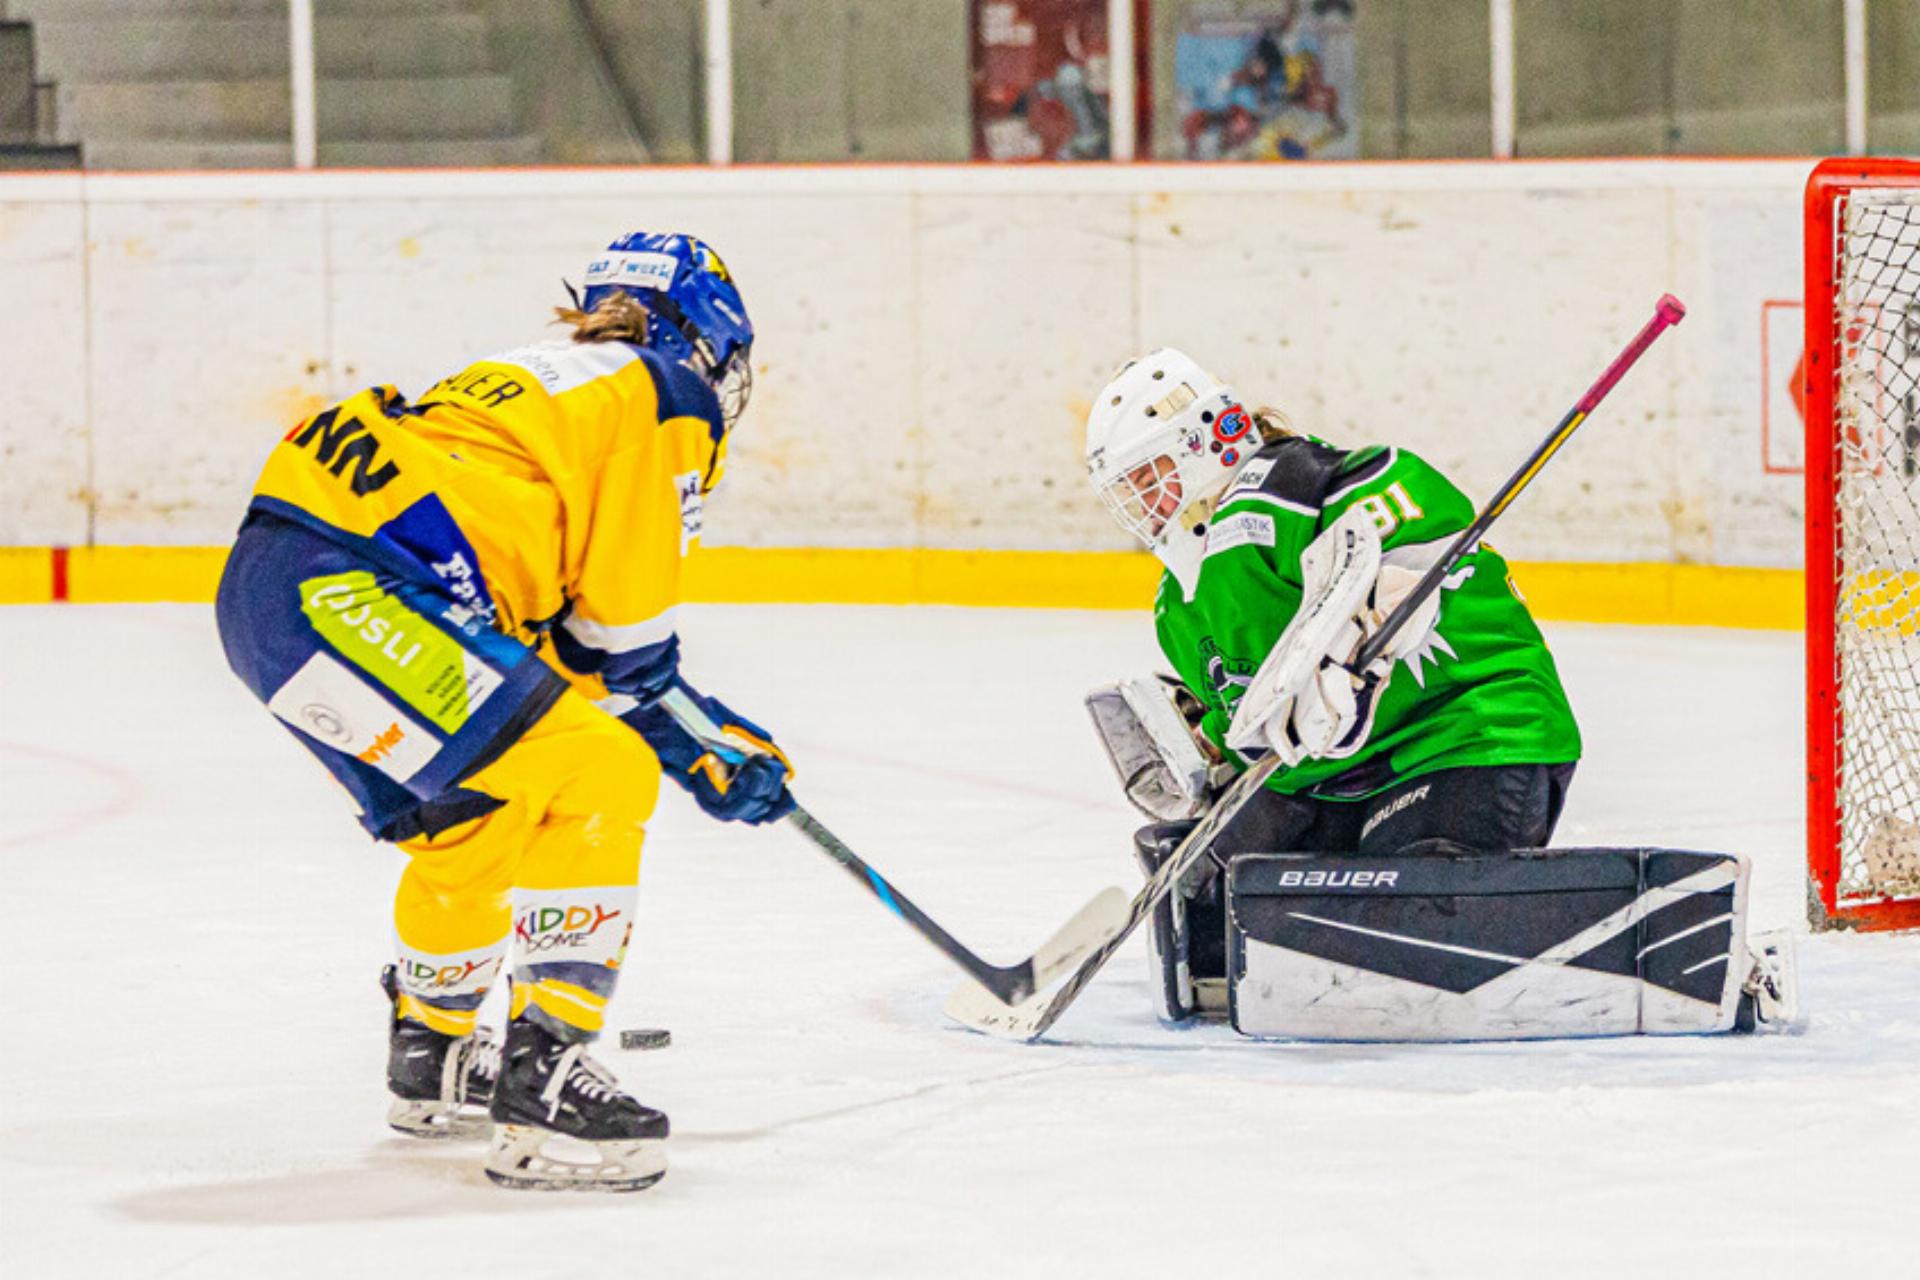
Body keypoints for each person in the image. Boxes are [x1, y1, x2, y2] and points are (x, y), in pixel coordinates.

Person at [215, 232, 794, 1191]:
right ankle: (547, 1087)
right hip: (353, 593)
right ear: (712, 341)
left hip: (274, 593)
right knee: (602, 771)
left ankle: (433, 1053)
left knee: (477, 816)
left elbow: (564, 647)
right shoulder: (663, 392)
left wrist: (693, 728)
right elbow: (625, 652)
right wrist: (706, 744)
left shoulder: (535, 381)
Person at [1081, 347, 1581, 1020]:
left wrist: (1369, 620)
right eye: (1130, 490)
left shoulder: (1302, 487)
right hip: (1338, 772)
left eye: (1150, 477)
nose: (1143, 504)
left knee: (1405, 912)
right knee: (1203, 891)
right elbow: (1260, 727)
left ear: (1204, 439)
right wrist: (1209, 756)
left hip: (1467, 735)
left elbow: (1423, 530)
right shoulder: (1177, 604)